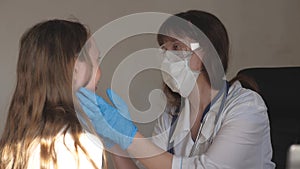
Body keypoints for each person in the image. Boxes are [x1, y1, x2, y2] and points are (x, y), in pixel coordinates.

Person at [76, 10, 276, 169]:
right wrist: (114, 141)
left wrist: (130, 136)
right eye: (164, 48)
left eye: (176, 47)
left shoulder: (246, 107)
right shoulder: (171, 116)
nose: (166, 57)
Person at [0, 19, 104, 169]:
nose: (100, 72)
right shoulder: (79, 145)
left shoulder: (13, 145)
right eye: (96, 60)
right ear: (74, 69)